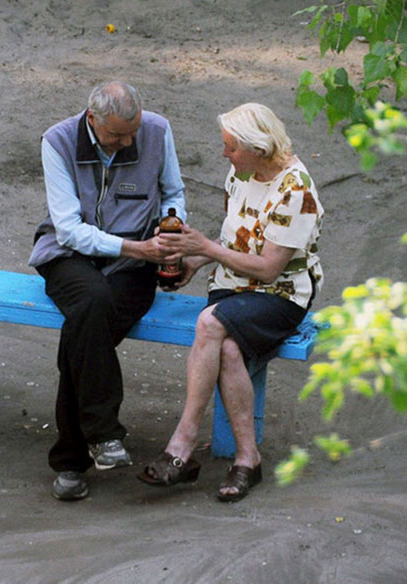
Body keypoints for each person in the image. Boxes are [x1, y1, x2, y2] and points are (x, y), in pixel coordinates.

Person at [137, 103, 323, 503]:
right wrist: (195, 262)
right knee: (229, 349)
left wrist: (204, 248)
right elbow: (234, 239)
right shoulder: (241, 172)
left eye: (232, 147)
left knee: (210, 323)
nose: (225, 154)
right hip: (232, 285)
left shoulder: (296, 190)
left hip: (280, 294)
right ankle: (247, 459)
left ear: (259, 148)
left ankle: (183, 441)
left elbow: (269, 269)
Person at [28, 81, 187, 501]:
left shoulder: (157, 131)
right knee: (93, 302)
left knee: (82, 334)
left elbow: (173, 192)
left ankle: (70, 461)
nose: (128, 142)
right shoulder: (57, 141)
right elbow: (68, 229)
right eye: (117, 135)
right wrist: (136, 247)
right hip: (69, 255)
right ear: (92, 119)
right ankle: (103, 433)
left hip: (135, 265)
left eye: (133, 132)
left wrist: (171, 227)